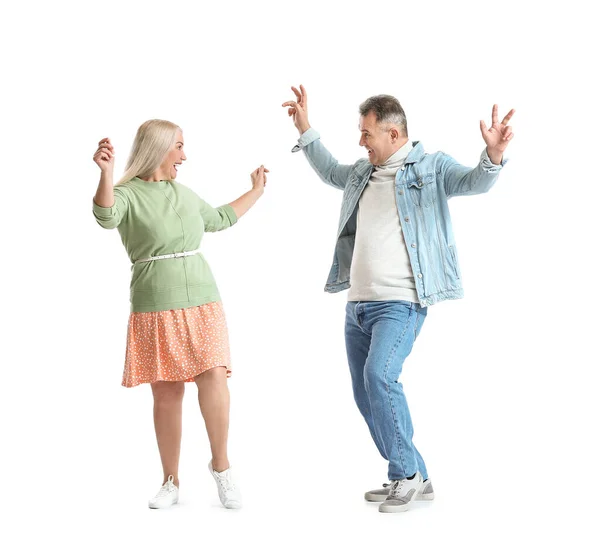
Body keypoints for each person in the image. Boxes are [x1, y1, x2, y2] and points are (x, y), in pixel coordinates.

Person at [282, 86, 514, 513]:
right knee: (364, 391)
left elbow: (474, 183)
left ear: (393, 133)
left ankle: (404, 475)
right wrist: (305, 129)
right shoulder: (361, 173)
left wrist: (493, 155)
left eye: (366, 134)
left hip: (401, 302)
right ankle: (414, 475)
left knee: (380, 377)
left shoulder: (430, 167)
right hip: (358, 305)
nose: (360, 142)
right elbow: (331, 169)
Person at [92, 119, 268, 510]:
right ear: (158, 148)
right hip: (155, 303)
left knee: (215, 376)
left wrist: (255, 191)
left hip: (204, 299)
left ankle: (221, 466)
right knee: (167, 392)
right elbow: (105, 216)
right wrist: (106, 173)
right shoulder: (126, 193)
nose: (184, 156)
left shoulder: (184, 193)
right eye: (179, 147)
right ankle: (170, 481)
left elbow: (220, 218)